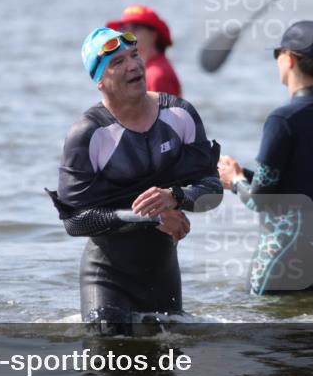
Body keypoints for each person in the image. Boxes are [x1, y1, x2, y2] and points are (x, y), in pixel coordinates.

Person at [47, 27, 221, 335]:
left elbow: (213, 192)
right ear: (100, 81)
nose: (133, 65)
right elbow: (75, 222)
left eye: (135, 55)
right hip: (106, 277)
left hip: (162, 275)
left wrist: (176, 197)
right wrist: (152, 216)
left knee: (167, 363)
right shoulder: (88, 134)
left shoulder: (179, 115)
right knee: (109, 355)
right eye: (118, 62)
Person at [217, 21, 313, 296]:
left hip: (290, 243)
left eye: (276, 54)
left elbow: (258, 200)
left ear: (288, 59)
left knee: (258, 317)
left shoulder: (282, 119)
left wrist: (235, 181)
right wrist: (242, 173)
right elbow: (300, 177)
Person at [106, 5, 182, 96]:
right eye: (123, 28)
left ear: (153, 35)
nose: (127, 34)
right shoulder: (148, 69)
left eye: (135, 27)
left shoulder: (157, 76)